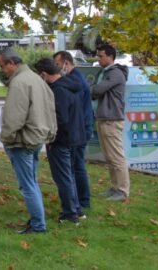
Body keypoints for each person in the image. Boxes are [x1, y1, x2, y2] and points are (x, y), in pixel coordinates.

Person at [0, 48, 57, 234]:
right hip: (36, 138)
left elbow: (14, 117)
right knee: (31, 181)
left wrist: (6, 137)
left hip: (22, 141)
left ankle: (38, 224)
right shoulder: (36, 79)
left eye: (2, 66)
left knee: (27, 185)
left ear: (11, 63)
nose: (2, 70)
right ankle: (37, 221)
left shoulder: (20, 82)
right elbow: (50, 108)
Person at [35, 58, 86, 224]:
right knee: (70, 175)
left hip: (61, 139)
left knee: (63, 177)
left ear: (43, 74)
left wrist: (50, 137)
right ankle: (76, 208)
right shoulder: (72, 85)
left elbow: (59, 118)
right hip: (75, 136)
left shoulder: (58, 91)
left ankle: (70, 213)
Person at [53, 50, 93, 211]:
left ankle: (81, 201)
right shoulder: (75, 78)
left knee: (76, 166)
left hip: (80, 128)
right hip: (81, 127)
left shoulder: (74, 81)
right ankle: (79, 200)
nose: (56, 68)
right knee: (76, 165)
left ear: (66, 63)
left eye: (57, 64)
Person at [90, 43, 129, 201]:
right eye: (98, 56)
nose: (98, 59)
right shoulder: (105, 72)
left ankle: (122, 190)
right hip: (104, 118)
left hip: (111, 120)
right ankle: (115, 188)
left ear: (110, 57)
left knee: (116, 157)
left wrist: (87, 88)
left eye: (101, 56)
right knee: (110, 157)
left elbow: (97, 90)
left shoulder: (115, 73)